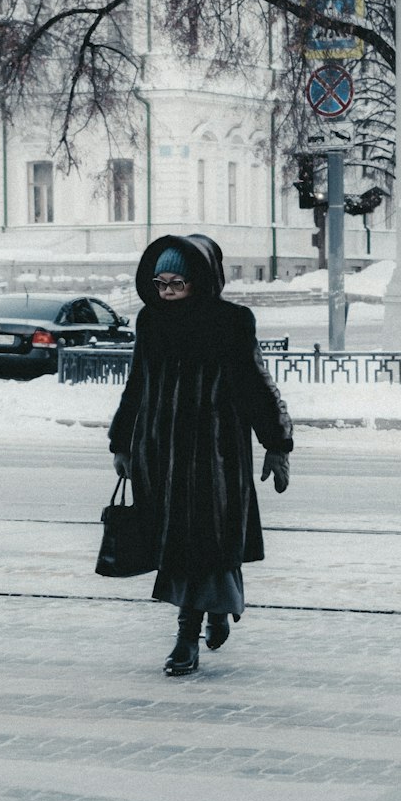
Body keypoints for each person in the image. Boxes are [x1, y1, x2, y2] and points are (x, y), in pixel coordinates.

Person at [108, 234, 293, 677]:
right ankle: (214, 608)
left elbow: (254, 384)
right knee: (182, 543)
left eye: (177, 284)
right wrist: (122, 443)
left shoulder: (230, 322)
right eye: (161, 283)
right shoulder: (151, 323)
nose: (167, 292)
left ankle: (186, 636)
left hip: (216, 455)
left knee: (205, 539)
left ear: (201, 281)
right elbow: (138, 384)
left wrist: (277, 444)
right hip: (161, 453)